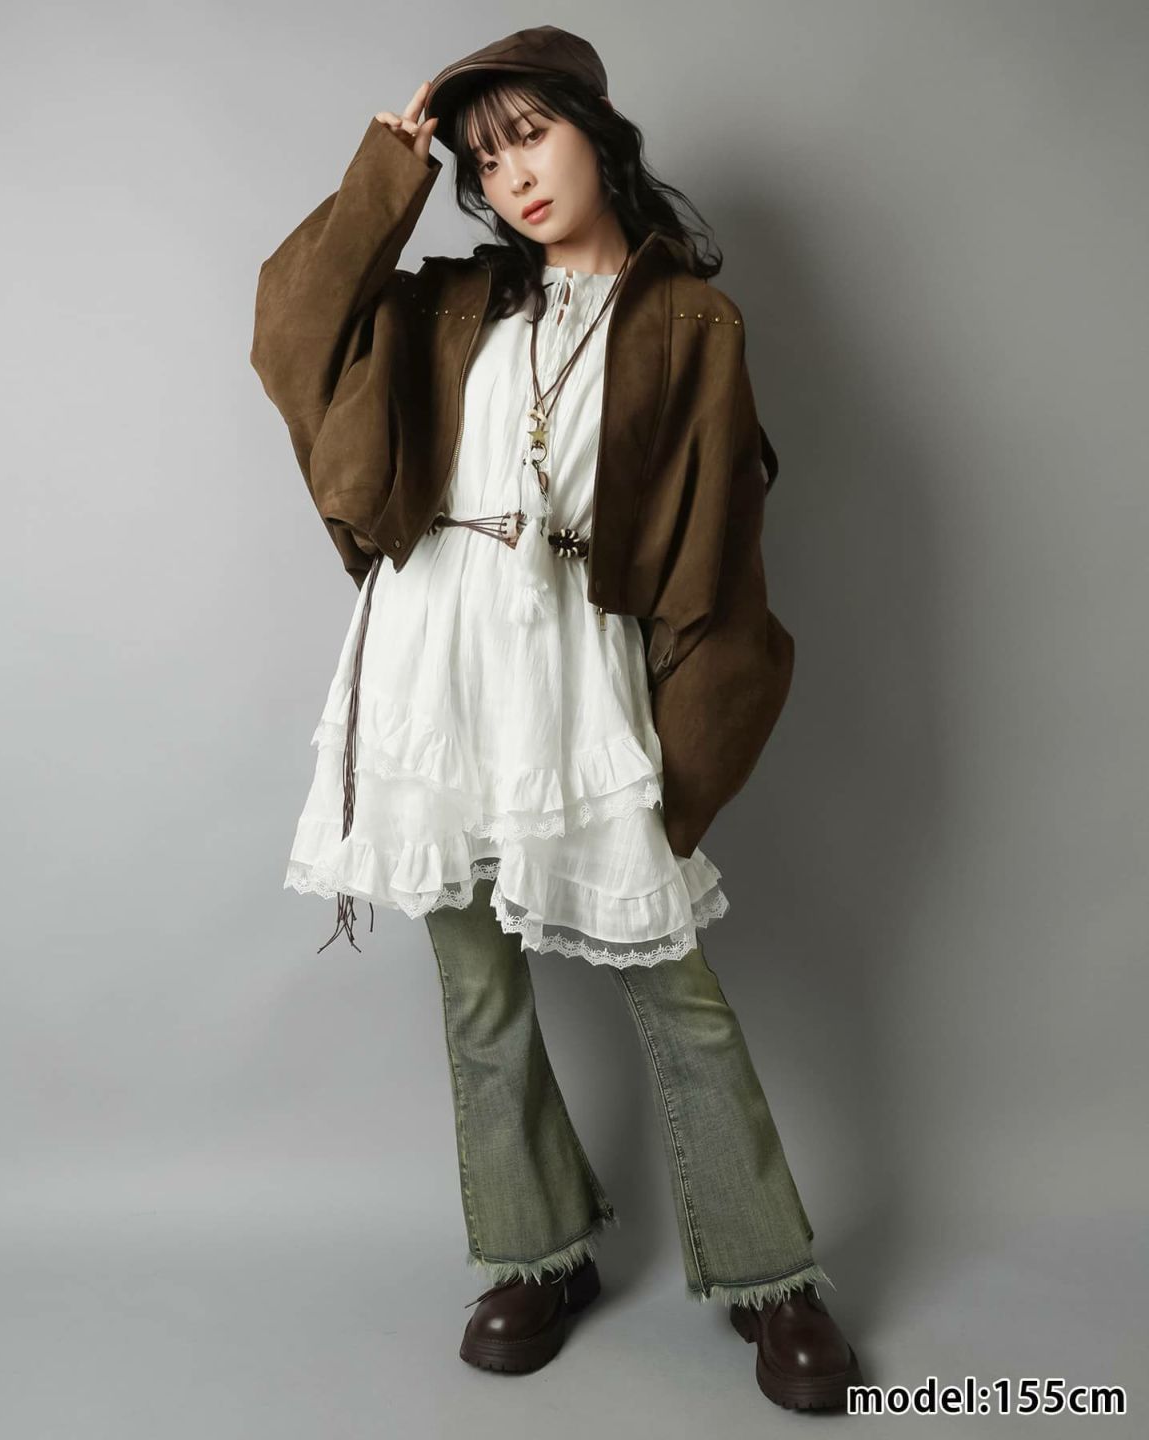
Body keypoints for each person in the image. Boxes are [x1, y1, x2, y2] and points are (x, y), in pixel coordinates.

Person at [251, 25, 860, 1412]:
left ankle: (770, 1274)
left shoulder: (693, 323)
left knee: (673, 986)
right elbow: (290, 331)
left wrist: (687, 751)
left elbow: (716, 555)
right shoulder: (453, 301)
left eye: (530, 135)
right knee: (476, 986)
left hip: (576, 660)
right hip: (430, 643)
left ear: (599, 133)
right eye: (483, 159)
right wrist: (389, 169)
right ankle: (537, 1253)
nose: (510, 176)